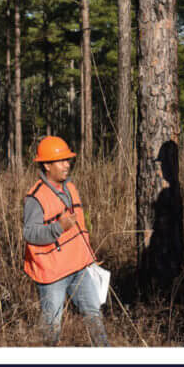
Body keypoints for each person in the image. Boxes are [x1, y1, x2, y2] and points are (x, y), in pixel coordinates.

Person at [22, 136, 108, 346]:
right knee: (51, 327)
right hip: (52, 273)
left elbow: (79, 229)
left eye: (67, 160)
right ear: (46, 165)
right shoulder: (36, 197)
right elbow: (30, 233)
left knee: (94, 316)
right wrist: (58, 227)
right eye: (61, 161)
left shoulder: (71, 188)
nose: (67, 165)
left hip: (79, 267)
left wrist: (89, 257)